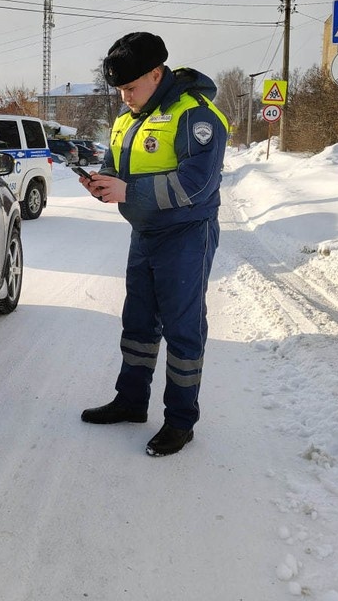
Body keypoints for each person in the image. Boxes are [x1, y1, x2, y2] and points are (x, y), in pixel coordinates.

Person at [78, 31, 230, 457]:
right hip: (144, 234)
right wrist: (102, 184)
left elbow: (195, 186)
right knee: (139, 323)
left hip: (185, 235)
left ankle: (181, 421)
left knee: (183, 330)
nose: (124, 97)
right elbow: (115, 167)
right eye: (120, 89)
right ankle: (131, 401)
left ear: (157, 73)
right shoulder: (128, 118)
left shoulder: (195, 115)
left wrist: (129, 192)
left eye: (130, 87)